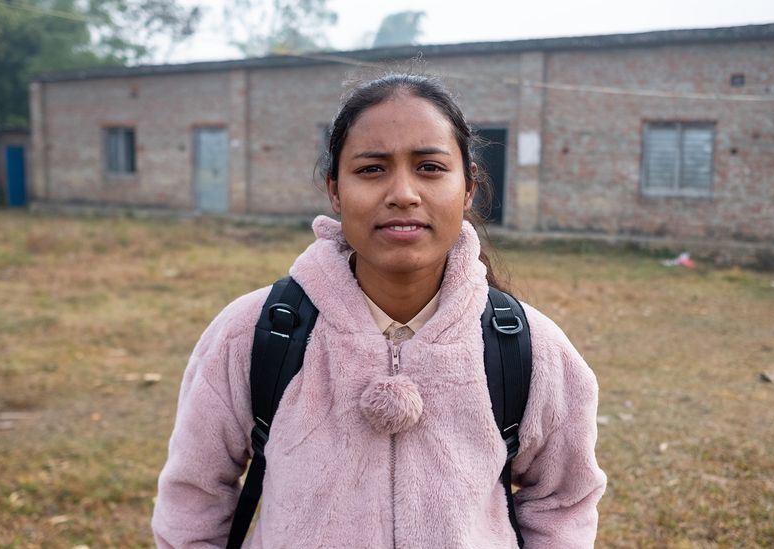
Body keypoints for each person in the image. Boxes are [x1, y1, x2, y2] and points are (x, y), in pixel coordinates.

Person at [152, 73, 607, 548]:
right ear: (335, 190)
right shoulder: (256, 334)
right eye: (372, 169)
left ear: (468, 187)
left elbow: (563, 502)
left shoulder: (529, 347)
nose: (402, 193)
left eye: (430, 167)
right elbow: (194, 499)